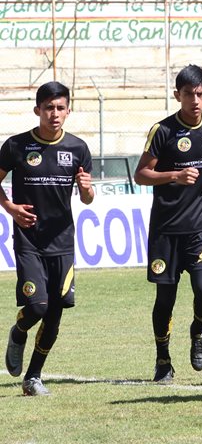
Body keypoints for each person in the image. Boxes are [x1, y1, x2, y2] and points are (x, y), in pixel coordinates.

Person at [135, 65, 202, 384]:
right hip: (166, 230)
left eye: (201, 94)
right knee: (165, 300)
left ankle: (198, 331)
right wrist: (174, 176)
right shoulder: (162, 131)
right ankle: (163, 360)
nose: (196, 100)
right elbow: (141, 174)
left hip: (201, 227)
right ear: (177, 95)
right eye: (189, 94)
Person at [0, 82, 94, 396]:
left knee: (56, 310)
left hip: (63, 242)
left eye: (60, 108)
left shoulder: (78, 148)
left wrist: (84, 187)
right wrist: (10, 208)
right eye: (49, 108)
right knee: (37, 307)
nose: (54, 114)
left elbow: (88, 198)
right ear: (38, 109)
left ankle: (33, 377)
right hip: (29, 241)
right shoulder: (16, 146)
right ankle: (18, 330)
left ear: (68, 110)